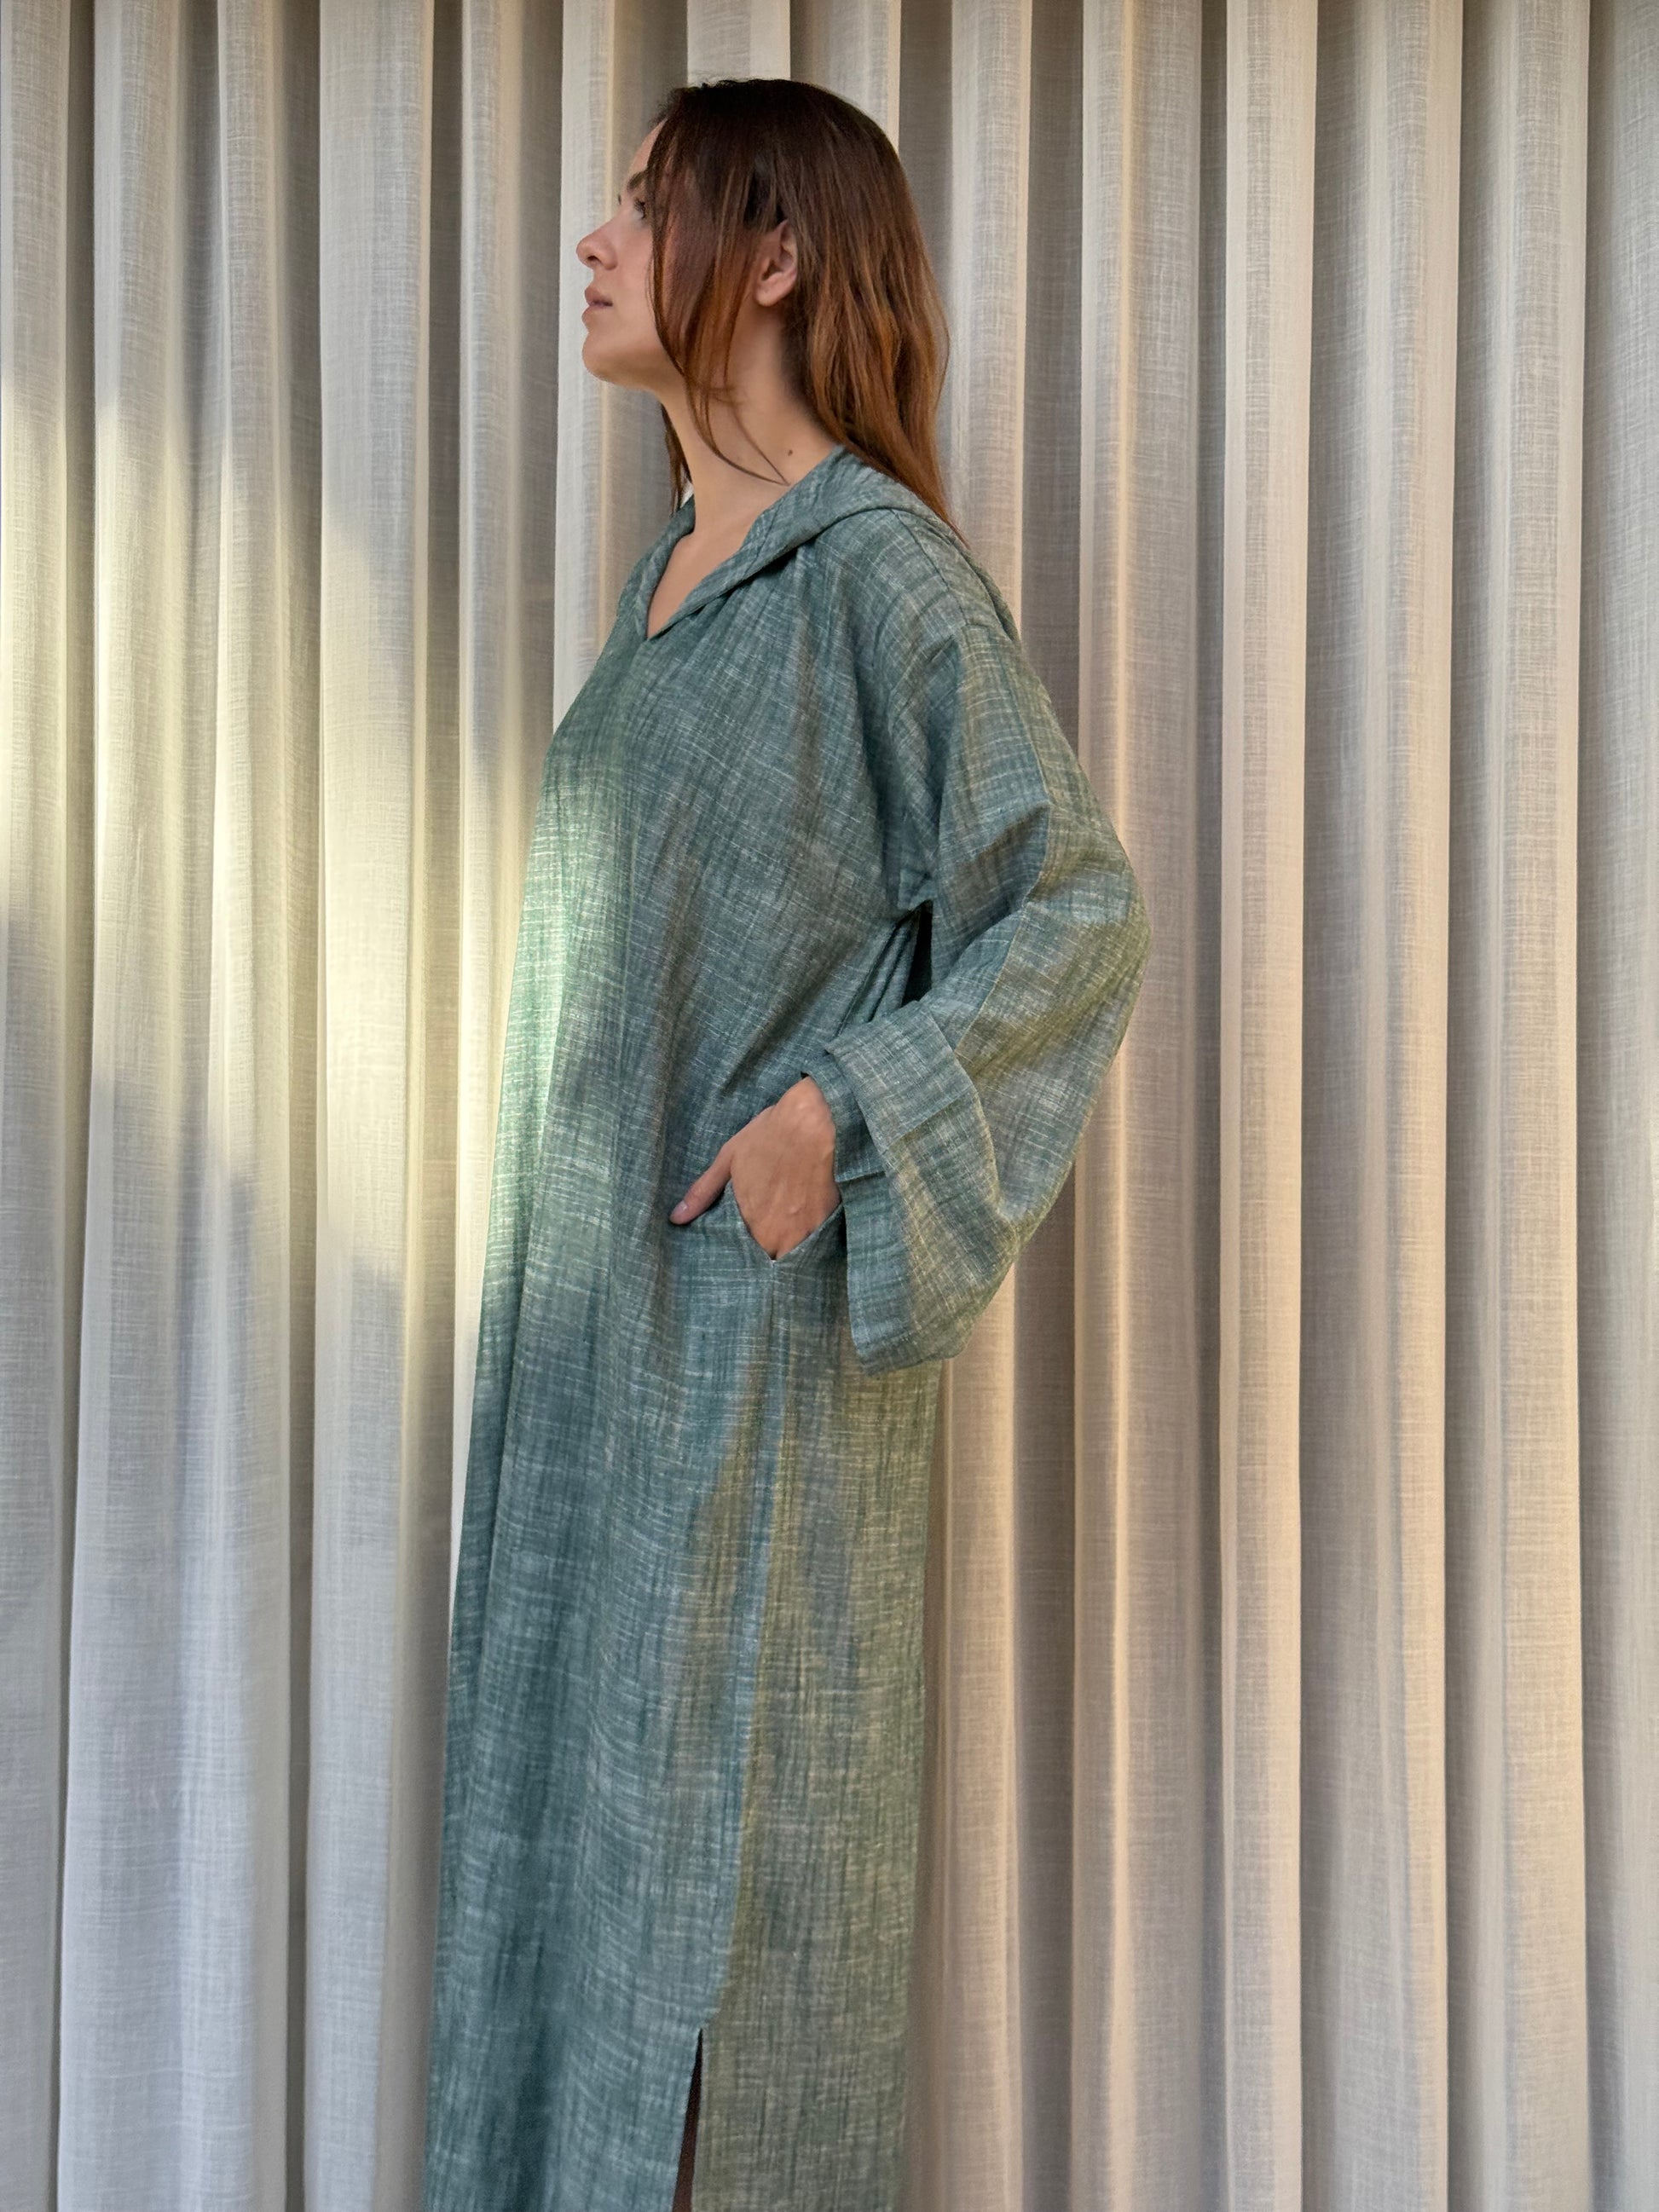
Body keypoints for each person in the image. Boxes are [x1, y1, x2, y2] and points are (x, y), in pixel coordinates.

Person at [420, 76, 1151, 2212]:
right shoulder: (675, 578)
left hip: (744, 1409)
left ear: (770, 258)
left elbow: (1077, 908)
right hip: (591, 1397)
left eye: (645, 206)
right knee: (570, 1916)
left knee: (714, 1955)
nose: (594, 241)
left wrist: (840, 1112)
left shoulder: (876, 576)